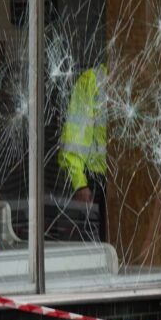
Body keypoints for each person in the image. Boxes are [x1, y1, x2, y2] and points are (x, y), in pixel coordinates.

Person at [57, 64, 108, 241]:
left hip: (134, 187)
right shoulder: (92, 80)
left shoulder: (146, 79)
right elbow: (74, 139)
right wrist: (79, 183)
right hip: (99, 185)